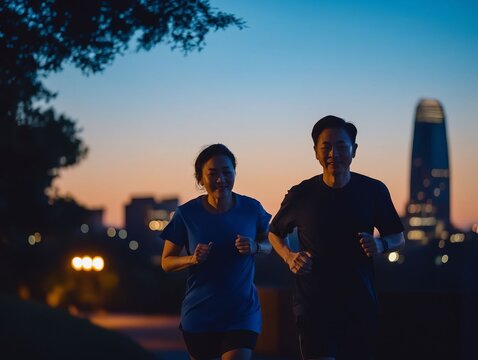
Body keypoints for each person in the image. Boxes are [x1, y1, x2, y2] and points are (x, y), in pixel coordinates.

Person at [268, 115, 405, 360]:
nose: (334, 153)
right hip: (313, 307)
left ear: (354, 150)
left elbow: (397, 236)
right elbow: (274, 233)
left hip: (359, 304)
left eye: (342, 146)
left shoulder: (373, 191)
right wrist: (289, 257)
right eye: (326, 147)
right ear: (316, 152)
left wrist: (381, 244)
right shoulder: (301, 194)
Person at [161, 144, 272, 360]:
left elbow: (271, 242)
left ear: (234, 173)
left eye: (227, 172)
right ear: (200, 179)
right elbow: (166, 262)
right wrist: (191, 259)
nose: (221, 179)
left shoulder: (252, 208)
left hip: (242, 312)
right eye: (212, 174)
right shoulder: (186, 213)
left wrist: (256, 247)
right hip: (200, 314)